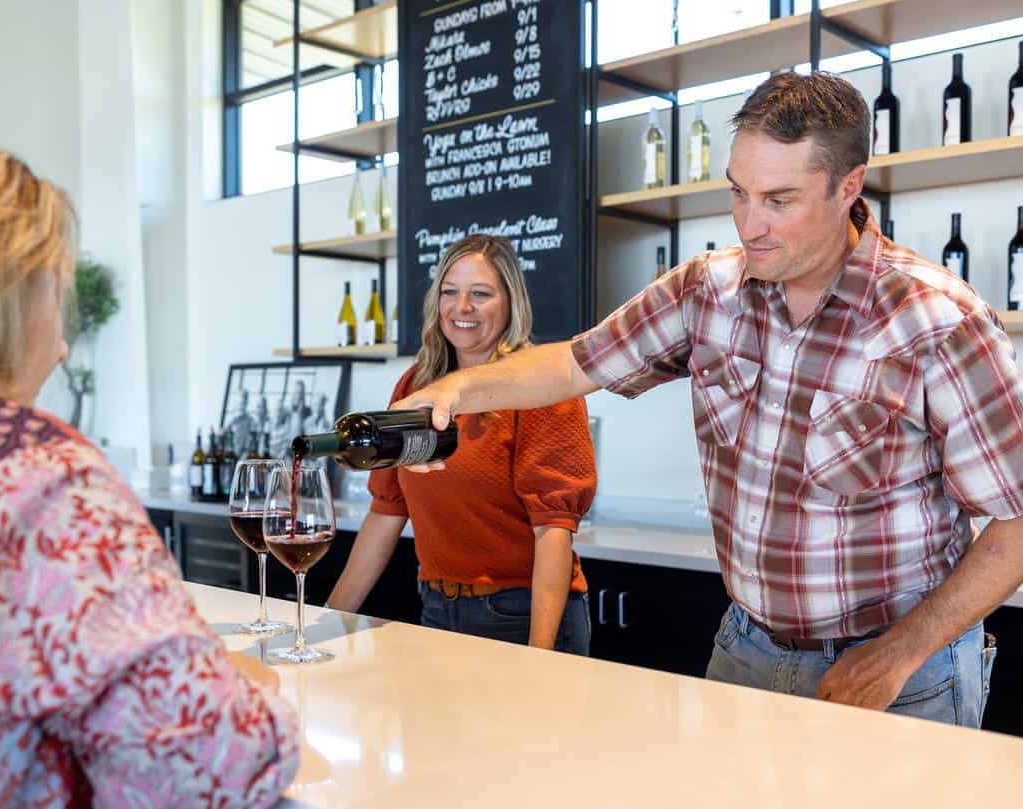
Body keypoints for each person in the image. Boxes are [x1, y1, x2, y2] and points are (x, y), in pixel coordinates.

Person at [396, 72, 1023, 727]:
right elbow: (574, 364)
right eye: (739, 193)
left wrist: (901, 651)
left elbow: (1016, 524)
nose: (751, 225)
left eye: (779, 200)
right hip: (745, 652)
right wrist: (452, 388)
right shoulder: (706, 291)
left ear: (848, 187)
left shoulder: (938, 320)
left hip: (900, 674)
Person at [0, 130, 299, 805]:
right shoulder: (32, 476)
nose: (62, 341)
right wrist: (256, 696)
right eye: (58, 292)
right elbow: (207, 758)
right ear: (13, 298)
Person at [326, 234, 597, 654]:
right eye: (449, 292)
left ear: (511, 303)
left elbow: (553, 532)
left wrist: (539, 657)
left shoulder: (540, 389)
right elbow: (386, 510)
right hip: (436, 608)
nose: (462, 307)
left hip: (522, 613)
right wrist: (329, 623)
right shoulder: (417, 386)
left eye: (481, 294)